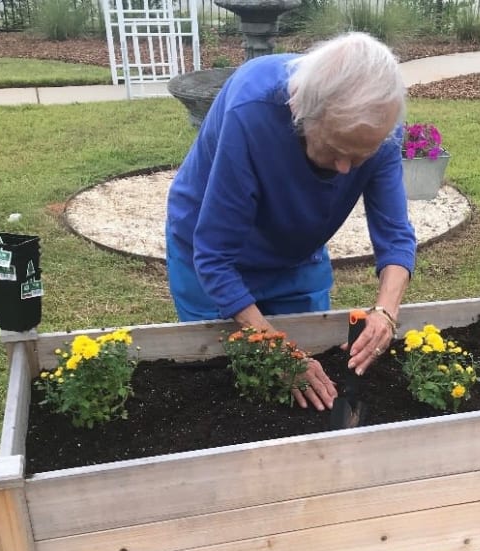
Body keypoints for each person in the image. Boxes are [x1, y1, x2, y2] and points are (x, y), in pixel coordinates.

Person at [165, 31, 416, 411]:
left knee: (310, 385)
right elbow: (214, 257)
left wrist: (385, 312)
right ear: (300, 111)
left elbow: (395, 235)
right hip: (209, 254)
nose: (346, 168)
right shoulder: (251, 112)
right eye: (335, 150)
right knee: (228, 393)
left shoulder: (377, 128)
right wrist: (278, 352)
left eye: (360, 156)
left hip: (297, 256)